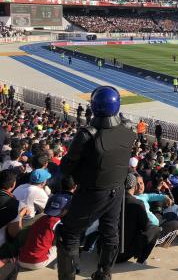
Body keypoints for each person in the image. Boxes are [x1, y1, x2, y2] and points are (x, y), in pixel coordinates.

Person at [57, 86, 136, 280]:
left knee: (68, 233)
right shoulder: (129, 130)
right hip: (116, 190)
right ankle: (104, 273)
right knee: (110, 232)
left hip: (92, 192)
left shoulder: (87, 135)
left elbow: (66, 168)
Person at [18, 193, 72, 270]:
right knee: (64, 246)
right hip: (36, 262)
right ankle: (55, 270)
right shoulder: (59, 223)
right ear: (66, 210)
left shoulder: (41, 218)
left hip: (21, 258)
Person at [116, 173, 162, 265]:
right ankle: (141, 260)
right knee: (155, 229)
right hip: (121, 255)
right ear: (134, 186)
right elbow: (146, 227)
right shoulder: (137, 203)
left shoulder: (112, 199)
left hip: (104, 251)